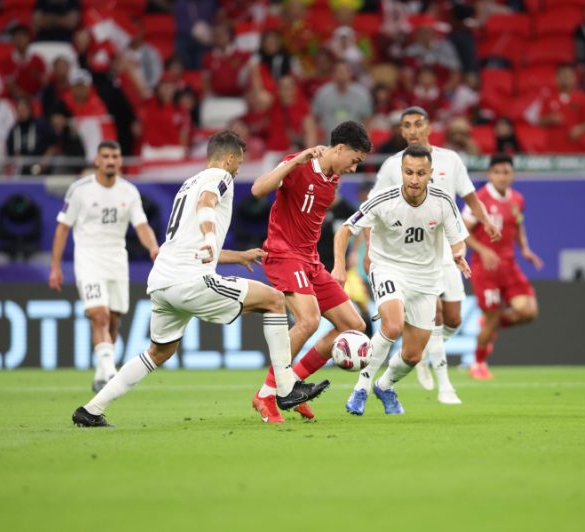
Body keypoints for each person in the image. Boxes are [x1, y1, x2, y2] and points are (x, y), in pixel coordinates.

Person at [71, 130, 329, 427]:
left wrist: (236, 255)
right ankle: (284, 387)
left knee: (159, 351)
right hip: (190, 280)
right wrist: (209, 237)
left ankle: (91, 409)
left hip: (162, 282)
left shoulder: (188, 183)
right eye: (239, 162)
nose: (239, 168)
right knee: (273, 299)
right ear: (229, 158)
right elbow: (206, 205)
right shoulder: (219, 177)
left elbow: (190, 243)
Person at [369, 106, 500, 404]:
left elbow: (470, 197)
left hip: (448, 251)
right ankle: (445, 387)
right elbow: (374, 208)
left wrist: (486, 220)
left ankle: (425, 352)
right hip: (412, 253)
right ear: (401, 131)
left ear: (428, 127)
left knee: (453, 319)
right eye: (407, 125)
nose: (413, 130)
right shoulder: (392, 165)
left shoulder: (450, 160)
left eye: (418, 124)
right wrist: (369, 250)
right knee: (436, 315)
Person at [249, 121, 371, 423]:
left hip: (310, 261)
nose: (354, 169)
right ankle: (267, 393)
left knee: (353, 325)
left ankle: (294, 385)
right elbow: (257, 190)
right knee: (309, 320)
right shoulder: (299, 163)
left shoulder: (331, 181)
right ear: (340, 149)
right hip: (283, 254)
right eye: (354, 161)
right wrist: (296, 160)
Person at [336, 144, 472, 415]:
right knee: (393, 324)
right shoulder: (383, 200)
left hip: (425, 279)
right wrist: (339, 266)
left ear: (430, 173)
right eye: (408, 172)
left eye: (420, 173)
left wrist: (459, 255)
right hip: (388, 268)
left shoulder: (443, 202)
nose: (414, 179)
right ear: (401, 171)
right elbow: (344, 229)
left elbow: (459, 241)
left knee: (413, 355)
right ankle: (360, 389)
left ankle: (385, 385)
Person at [49, 140, 160, 393]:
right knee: (98, 315)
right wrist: (55, 267)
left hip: (117, 260)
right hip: (88, 259)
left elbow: (141, 225)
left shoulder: (129, 191)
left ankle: (101, 373)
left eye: (115, 156)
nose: (110, 160)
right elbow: (62, 228)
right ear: (97, 160)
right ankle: (111, 373)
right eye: (106, 156)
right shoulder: (80, 190)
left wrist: (153, 246)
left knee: (113, 320)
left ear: (120, 161)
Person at [464, 155, 543, 380]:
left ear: (513, 175)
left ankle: (491, 324)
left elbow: (518, 225)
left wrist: (525, 248)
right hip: (485, 268)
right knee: (491, 317)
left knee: (528, 312)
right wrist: (482, 249)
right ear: (490, 174)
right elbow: (462, 230)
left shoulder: (517, 199)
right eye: (497, 172)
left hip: (509, 266)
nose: (502, 176)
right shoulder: (478, 200)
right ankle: (478, 363)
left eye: (506, 171)